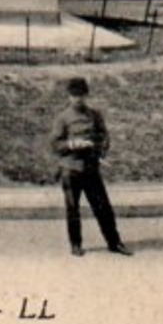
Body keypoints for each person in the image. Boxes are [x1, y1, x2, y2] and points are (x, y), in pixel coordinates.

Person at [47, 77, 130, 257]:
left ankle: (114, 243)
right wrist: (72, 144)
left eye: (82, 95)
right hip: (71, 169)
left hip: (91, 167)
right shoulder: (63, 118)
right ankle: (75, 244)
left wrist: (99, 153)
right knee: (73, 209)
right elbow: (54, 144)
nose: (78, 99)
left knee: (103, 208)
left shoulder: (94, 115)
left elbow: (104, 137)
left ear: (87, 96)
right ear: (69, 96)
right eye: (75, 96)